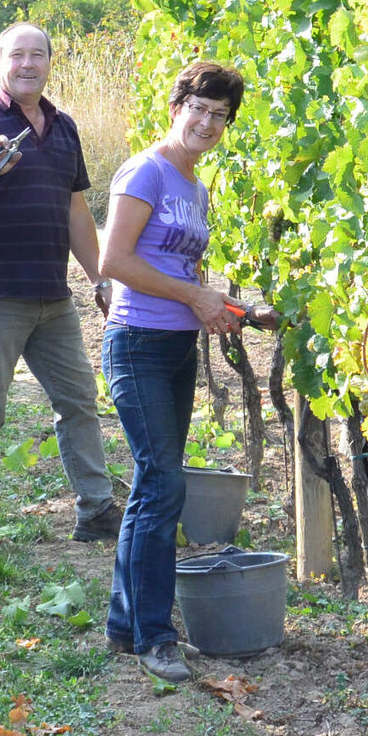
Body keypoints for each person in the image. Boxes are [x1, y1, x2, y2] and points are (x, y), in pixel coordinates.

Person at [98, 61, 276, 684]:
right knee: (164, 484)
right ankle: (154, 635)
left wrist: (231, 309)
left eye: (220, 115)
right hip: (135, 343)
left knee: (154, 486)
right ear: (177, 106)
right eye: (198, 108)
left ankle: (126, 625)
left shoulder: (195, 187)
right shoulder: (145, 170)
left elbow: (184, 278)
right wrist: (193, 298)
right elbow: (114, 260)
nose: (207, 122)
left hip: (173, 348)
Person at [0, 23, 122, 551]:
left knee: (79, 401)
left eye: (37, 55)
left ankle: (95, 510)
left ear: (48, 62)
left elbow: (75, 207)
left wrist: (98, 277)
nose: (27, 64)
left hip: (52, 296)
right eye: (17, 55)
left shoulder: (63, 127)